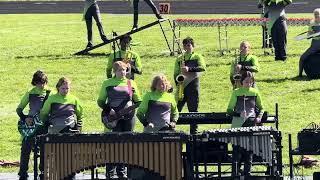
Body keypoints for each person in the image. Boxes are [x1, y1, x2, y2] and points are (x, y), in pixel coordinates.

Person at [97, 61, 142, 178]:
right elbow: (100, 101)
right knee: (114, 144)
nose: (122, 72)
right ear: (114, 71)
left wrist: (137, 104)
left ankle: (121, 172)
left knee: (126, 144)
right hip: (113, 117)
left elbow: (138, 101)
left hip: (128, 117)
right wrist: (108, 109)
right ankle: (110, 172)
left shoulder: (130, 83)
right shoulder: (107, 83)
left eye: (124, 70)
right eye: (119, 70)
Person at [226, 71, 264, 178]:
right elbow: (229, 110)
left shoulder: (255, 92)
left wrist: (259, 117)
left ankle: (247, 174)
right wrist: (239, 113)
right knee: (237, 152)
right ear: (241, 82)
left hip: (251, 124)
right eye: (246, 82)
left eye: (251, 82)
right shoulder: (236, 92)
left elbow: (262, 108)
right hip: (238, 125)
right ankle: (235, 175)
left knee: (249, 152)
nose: (249, 84)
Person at [16, 70, 50, 180]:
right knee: (25, 148)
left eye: (44, 82)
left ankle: (43, 171)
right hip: (30, 126)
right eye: (39, 82)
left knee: (45, 149)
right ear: (34, 82)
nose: (42, 85)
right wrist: (25, 118)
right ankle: (23, 172)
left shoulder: (51, 93)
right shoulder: (30, 92)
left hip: (44, 125)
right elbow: (19, 109)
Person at [173, 37, 206, 134]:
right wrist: (178, 84)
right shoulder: (179, 58)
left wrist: (189, 69)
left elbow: (202, 68)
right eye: (184, 45)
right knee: (176, 110)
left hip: (193, 86)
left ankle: (194, 133)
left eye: (188, 45)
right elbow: (175, 73)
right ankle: (171, 130)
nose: (186, 47)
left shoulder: (197, 56)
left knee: (193, 111)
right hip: (181, 87)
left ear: (193, 46)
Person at [299, 8, 320, 77]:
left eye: (318, 16)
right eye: (315, 16)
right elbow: (308, 36)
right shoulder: (312, 23)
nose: (317, 17)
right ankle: (300, 74)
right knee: (302, 58)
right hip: (315, 45)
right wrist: (311, 33)